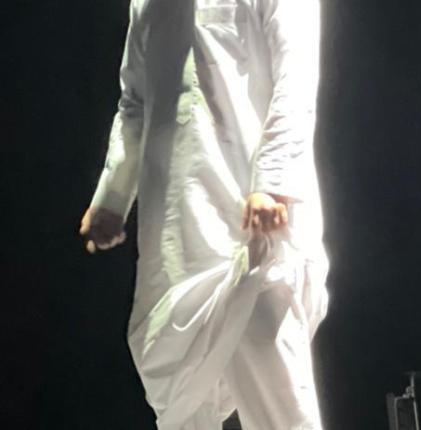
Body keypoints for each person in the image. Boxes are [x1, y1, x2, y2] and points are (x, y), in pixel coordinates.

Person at [78, 0, 328, 428]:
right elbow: (135, 102)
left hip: (253, 226)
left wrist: (271, 184)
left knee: (278, 398)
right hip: (174, 235)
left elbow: (296, 78)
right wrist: (113, 198)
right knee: (184, 409)